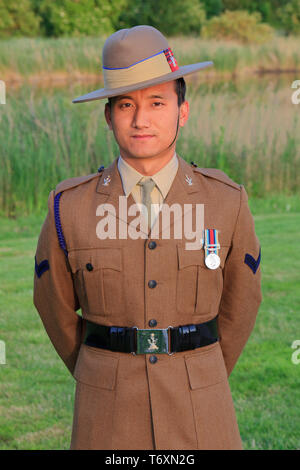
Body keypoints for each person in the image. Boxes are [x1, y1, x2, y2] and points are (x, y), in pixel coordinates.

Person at [33, 25, 262, 450]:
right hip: (107, 417)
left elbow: (241, 303)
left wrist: (202, 370)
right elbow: (54, 307)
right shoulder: (69, 207)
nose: (141, 119)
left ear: (183, 110)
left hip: (201, 412)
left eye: (157, 102)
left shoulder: (225, 201)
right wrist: (101, 370)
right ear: (108, 116)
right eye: (125, 105)